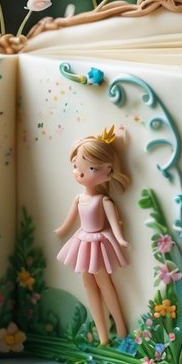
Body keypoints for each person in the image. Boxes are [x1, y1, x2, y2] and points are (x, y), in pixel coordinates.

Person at [55, 126, 130, 345]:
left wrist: (121, 238)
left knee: (104, 284)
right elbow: (68, 223)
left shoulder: (103, 201)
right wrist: (60, 231)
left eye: (90, 169)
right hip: (82, 242)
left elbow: (115, 226)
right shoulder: (79, 199)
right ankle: (103, 335)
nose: (79, 173)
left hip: (97, 243)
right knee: (89, 286)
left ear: (108, 171)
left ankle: (122, 329)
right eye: (76, 166)